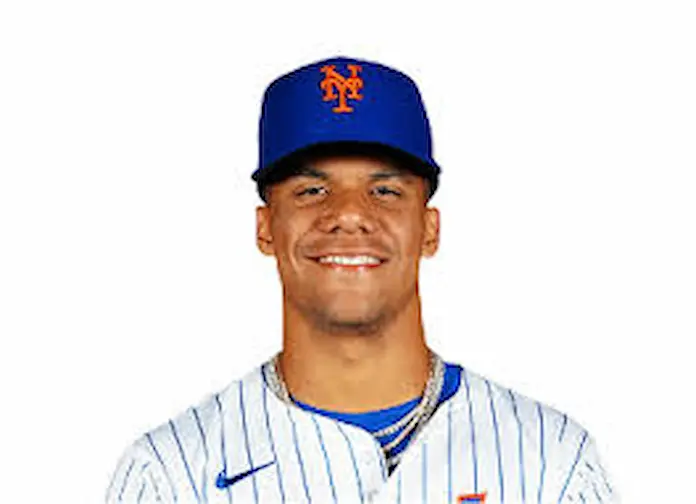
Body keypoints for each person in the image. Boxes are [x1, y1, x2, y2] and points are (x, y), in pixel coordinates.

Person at [106, 56, 617, 504]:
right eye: (311, 191)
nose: (349, 215)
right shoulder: (171, 475)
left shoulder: (551, 462)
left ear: (430, 229)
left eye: (385, 191)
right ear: (265, 228)